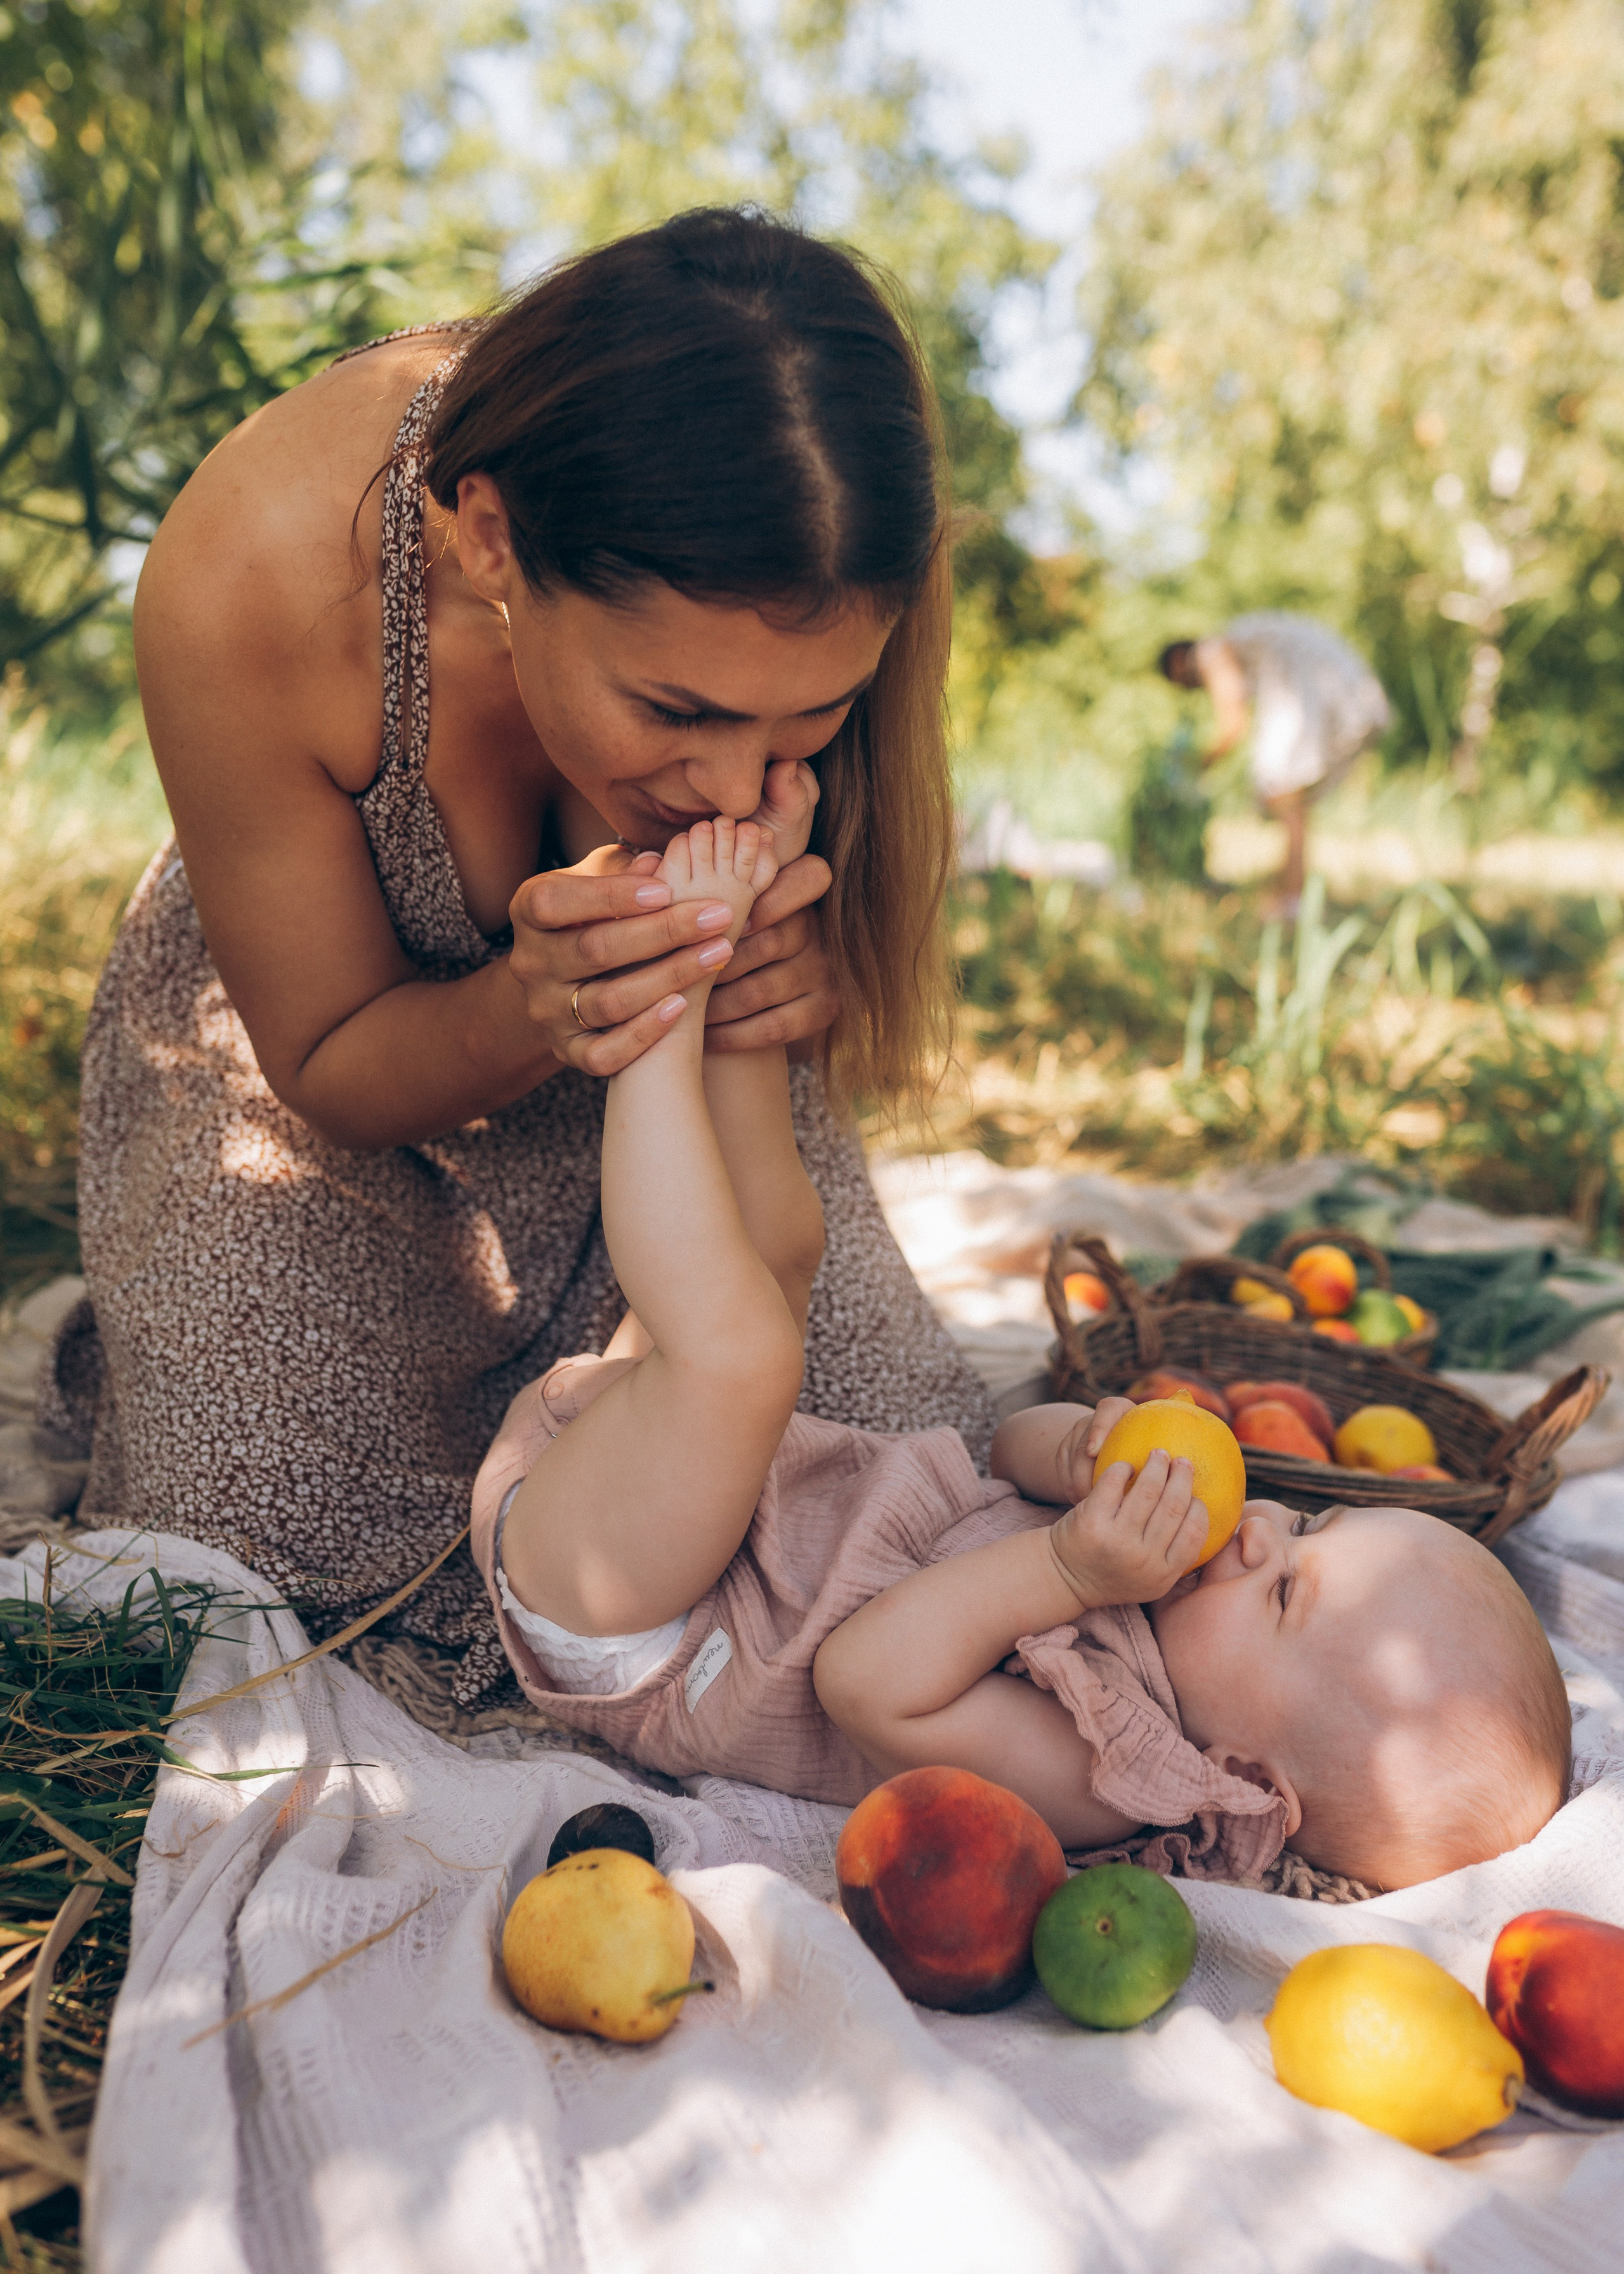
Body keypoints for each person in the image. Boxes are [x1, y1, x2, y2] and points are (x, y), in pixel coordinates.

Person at [41, 207, 993, 1704]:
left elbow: (787, 1111)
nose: (740, 793)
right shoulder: (257, 576)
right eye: (676, 715)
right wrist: (531, 1008)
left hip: (672, 1112)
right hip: (335, 1108)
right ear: (488, 537)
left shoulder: (811, 537)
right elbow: (323, 1057)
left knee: (900, 1482)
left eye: (798, 730)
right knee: (246, 1577)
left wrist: (786, 984)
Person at [475, 812, 1571, 1891]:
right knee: (780, 1250)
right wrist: (1082, 1458)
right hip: (691, 1506)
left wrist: (1064, 1569)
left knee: (745, 1351)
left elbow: (868, 1678)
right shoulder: (1158, 1572)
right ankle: (736, 994)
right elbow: (1001, 1449)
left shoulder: (1108, 1777)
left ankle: (657, 1012)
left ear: (1247, 1776)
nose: (1260, 1535)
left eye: (1284, 1592)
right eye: (1310, 1521)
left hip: (638, 1621)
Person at [1158, 614, 1391, 915]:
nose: (1190, 688)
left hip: (1319, 690)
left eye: (1181, 682)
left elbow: (1233, 725)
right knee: (1290, 797)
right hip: (1348, 687)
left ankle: (1291, 900)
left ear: (1179, 662)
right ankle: (1290, 892)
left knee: (1282, 789)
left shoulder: (1210, 652)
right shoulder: (1245, 642)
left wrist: (1197, 764)